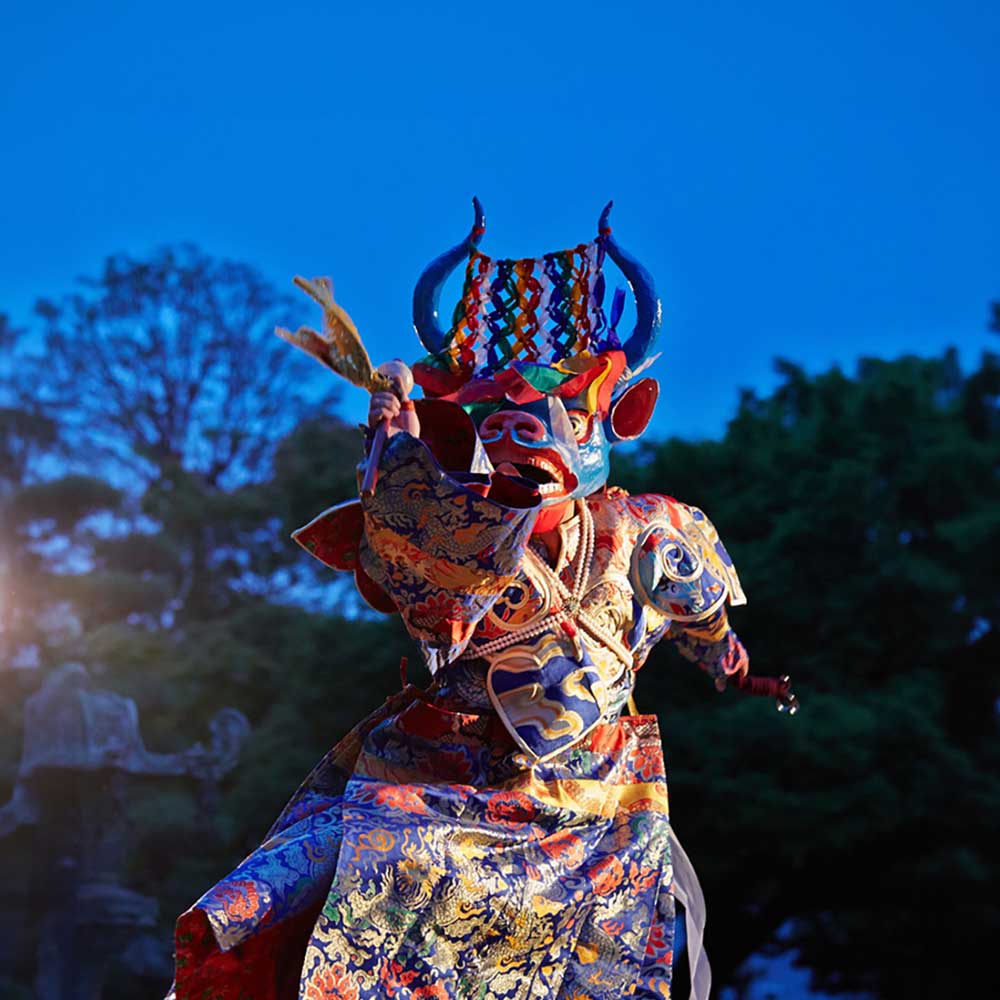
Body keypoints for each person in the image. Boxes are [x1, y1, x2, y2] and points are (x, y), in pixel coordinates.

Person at [167, 200, 795, 1000]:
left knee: (628, 956)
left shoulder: (655, 531)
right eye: (492, 423)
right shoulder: (466, 535)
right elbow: (427, 598)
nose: (520, 439)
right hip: (443, 782)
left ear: (615, 421)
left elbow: (705, 620)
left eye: (548, 420)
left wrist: (735, 671)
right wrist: (390, 448)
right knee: (311, 885)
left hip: (597, 808)